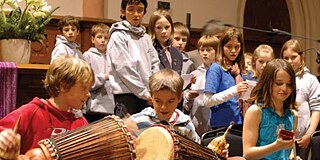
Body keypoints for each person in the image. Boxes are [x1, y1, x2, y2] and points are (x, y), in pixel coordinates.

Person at [0, 56, 94, 155]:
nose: (88, 94)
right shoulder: (32, 111)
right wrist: (3, 138)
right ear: (63, 86)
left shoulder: (81, 122)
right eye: (84, 88)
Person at [107, 0, 160, 118]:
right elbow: (124, 68)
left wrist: (153, 90)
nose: (136, 14)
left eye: (140, 10)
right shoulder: (118, 36)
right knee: (129, 134)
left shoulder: (145, 37)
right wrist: (143, 93)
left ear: (144, 12)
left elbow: (154, 63)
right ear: (123, 11)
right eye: (131, 10)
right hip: (127, 96)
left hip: (147, 96)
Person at [243, 59, 299, 160]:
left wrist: (292, 157)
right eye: (279, 83)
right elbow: (248, 154)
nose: (285, 89)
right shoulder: (256, 112)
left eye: (289, 84)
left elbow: (288, 150)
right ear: (267, 83)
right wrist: (276, 146)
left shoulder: (293, 115)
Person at [280, 39, 320, 160]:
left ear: (301, 57)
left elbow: (316, 109)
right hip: (282, 135)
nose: (290, 61)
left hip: (302, 137)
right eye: (286, 58)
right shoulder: (278, 79)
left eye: (293, 57)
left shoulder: (310, 80)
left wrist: (309, 134)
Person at [203, 28, 248, 130]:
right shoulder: (216, 68)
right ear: (222, 47)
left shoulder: (240, 70)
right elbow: (207, 101)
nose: (233, 51)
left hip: (242, 122)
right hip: (222, 125)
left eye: (237, 47)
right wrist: (234, 90)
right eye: (229, 46)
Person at [184, 35, 220, 135]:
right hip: (197, 120)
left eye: (209, 50)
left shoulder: (221, 73)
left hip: (215, 122)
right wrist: (188, 97)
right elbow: (186, 105)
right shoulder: (195, 74)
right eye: (202, 50)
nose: (204, 53)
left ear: (217, 51)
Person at [82, 23, 115, 123]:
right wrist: (104, 77)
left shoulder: (112, 56)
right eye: (99, 37)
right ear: (93, 39)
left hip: (111, 107)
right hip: (94, 108)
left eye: (106, 38)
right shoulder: (88, 56)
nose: (103, 40)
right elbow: (86, 82)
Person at [148, 9, 183, 75]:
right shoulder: (150, 50)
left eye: (167, 27)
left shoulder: (177, 53)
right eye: (158, 28)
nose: (164, 31)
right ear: (153, 29)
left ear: (172, 28)